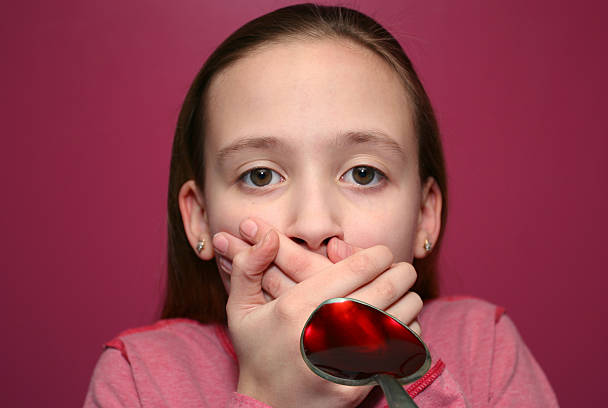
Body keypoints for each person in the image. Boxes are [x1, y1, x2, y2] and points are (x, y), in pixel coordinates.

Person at [84, 4, 558, 407]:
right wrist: (267, 395)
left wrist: (405, 369)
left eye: (363, 174)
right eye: (261, 175)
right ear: (199, 219)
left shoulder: (488, 346)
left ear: (424, 215)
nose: (313, 225)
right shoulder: (136, 379)